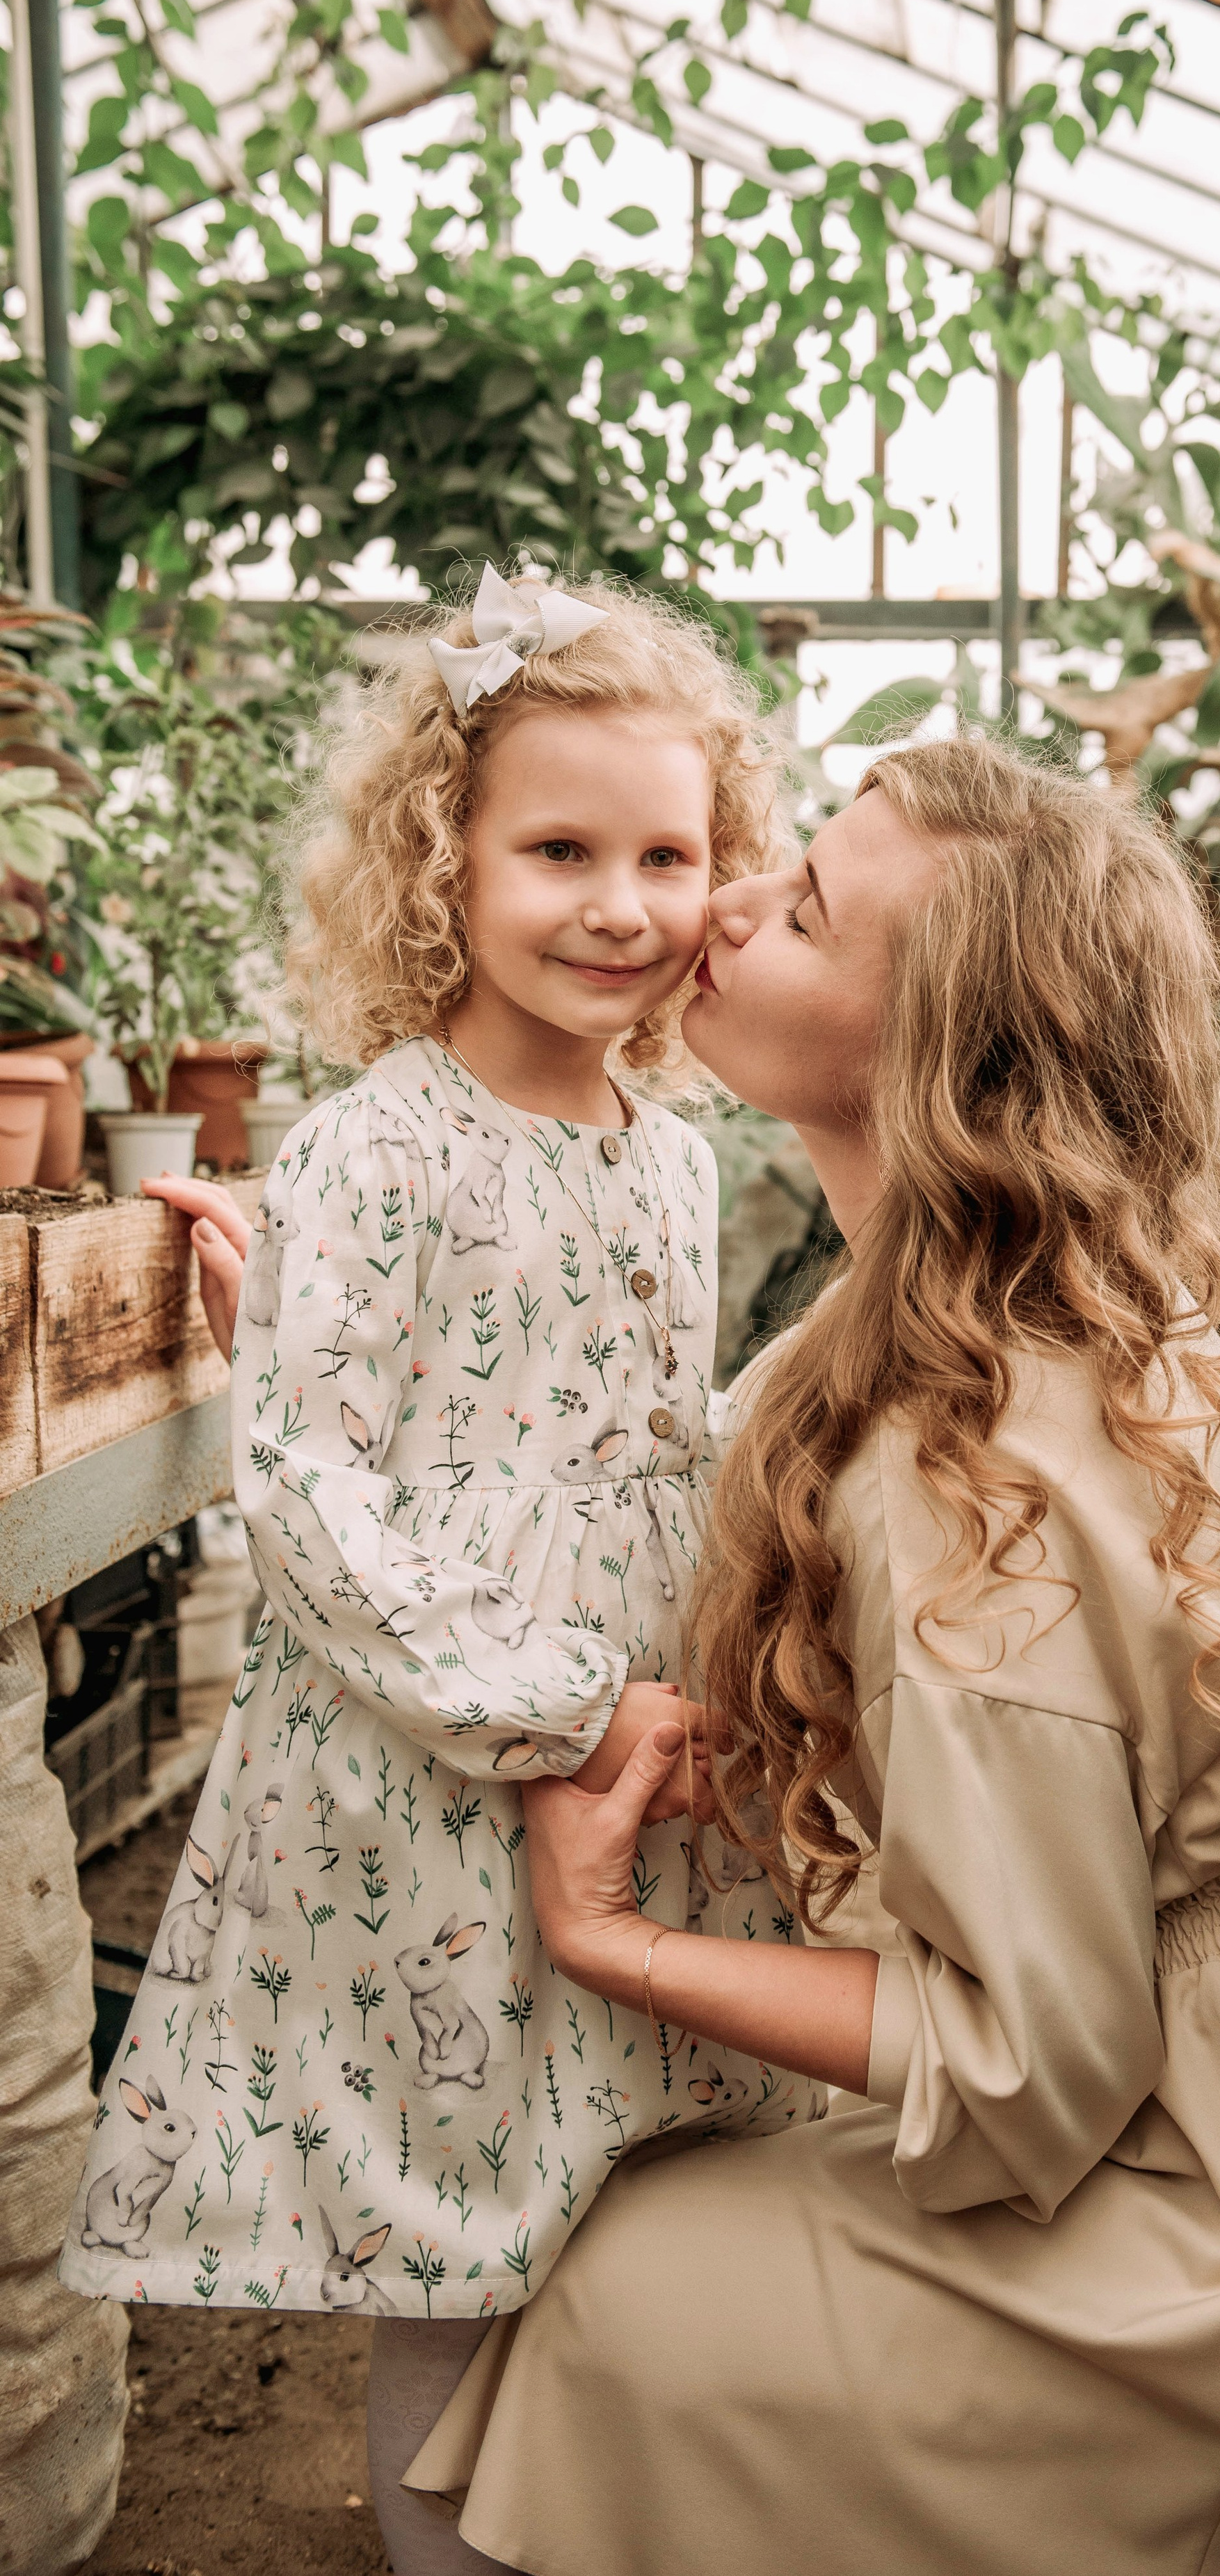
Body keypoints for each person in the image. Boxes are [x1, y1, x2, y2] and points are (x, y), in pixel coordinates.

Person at [160, 740, 1220, 2576]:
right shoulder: (994, 1296)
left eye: (803, 906)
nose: (718, 902)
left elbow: (1023, 2063)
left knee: (600, 2307)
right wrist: (343, 1357)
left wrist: (614, 1945)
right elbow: (653, 1523)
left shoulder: (958, 1472)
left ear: (936, 1055)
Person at [58, 566, 823, 2576]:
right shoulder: (372, 1151)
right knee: (466, 2226)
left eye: (667, 853)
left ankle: (605, 2520)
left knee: (616, 2191)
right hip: (446, 1774)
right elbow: (310, 1497)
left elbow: (649, 1436)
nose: (617, 903)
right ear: (441, 863)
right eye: (557, 848)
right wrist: (556, 1706)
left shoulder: (671, 1151)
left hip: (646, 1748)